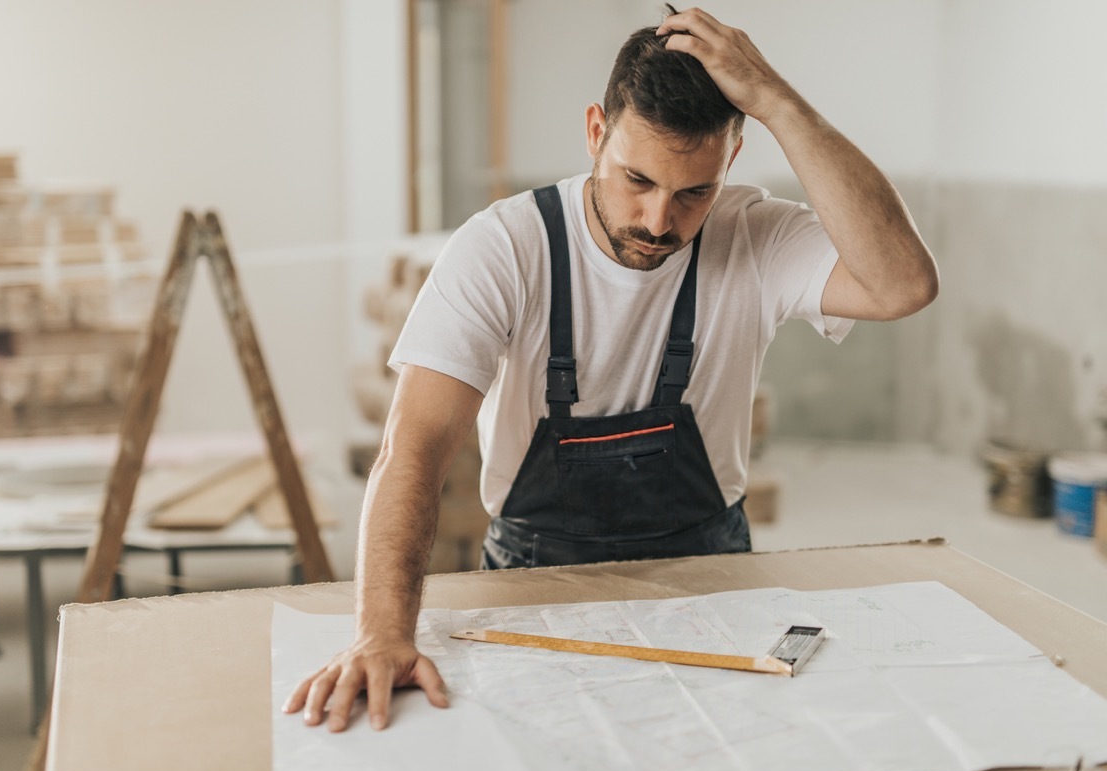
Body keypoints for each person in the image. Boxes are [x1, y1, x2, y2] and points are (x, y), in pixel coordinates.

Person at [283, 7, 937, 732]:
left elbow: (901, 284)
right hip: (535, 567)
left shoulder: (753, 237)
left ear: (732, 156)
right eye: (637, 180)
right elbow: (412, 447)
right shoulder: (505, 248)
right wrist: (383, 631)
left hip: (710, 568)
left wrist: (780, 101)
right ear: (596, 131)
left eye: (694, 192)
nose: (660, 221)